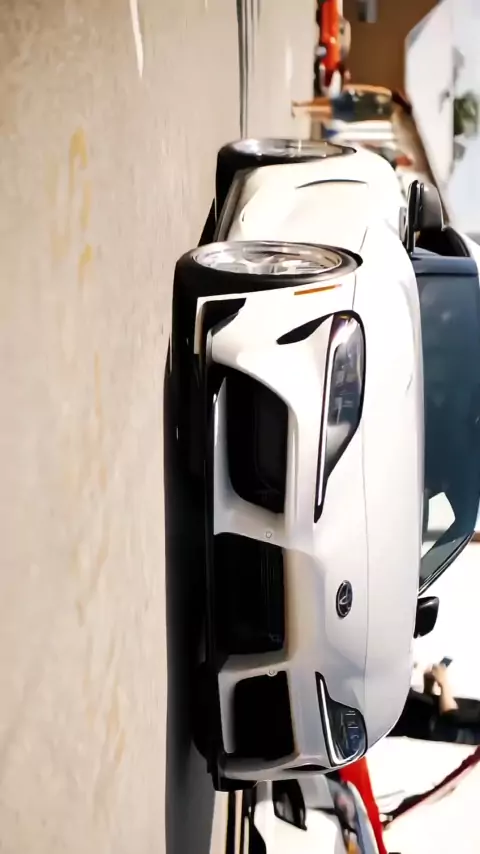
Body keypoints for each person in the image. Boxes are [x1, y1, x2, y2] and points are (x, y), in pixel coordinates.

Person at [391, 662, 480, 745]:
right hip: (413, 710)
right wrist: (429, 686)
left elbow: (450, 717)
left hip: (408, 718)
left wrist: (443, 682)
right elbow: (441, 714)